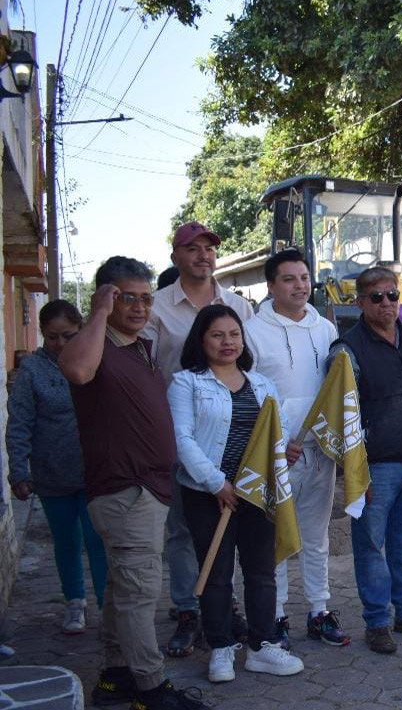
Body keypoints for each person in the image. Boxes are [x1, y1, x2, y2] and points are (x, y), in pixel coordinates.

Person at [60, 256, 211, 710]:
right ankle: (151, 689)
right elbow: (77, 371)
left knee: (121, 591)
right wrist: (100, 312)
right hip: (125, 490)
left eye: (146, 298)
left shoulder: (139, 347)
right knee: (139, 593)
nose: (141, 306)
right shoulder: (95, 343)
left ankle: (116, 675)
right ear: (106, 296)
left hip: (147, 489)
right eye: (129, 297)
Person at [168, 305, 305, 683]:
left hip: (257, 493)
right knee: (216, 573)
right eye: (217, 335)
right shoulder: (186, 383)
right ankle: (221, 647)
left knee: (262, 572)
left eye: (234, 334)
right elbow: (182, 440)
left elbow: (275, 433)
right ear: (201, 339)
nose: (227, 342)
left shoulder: (262, 384)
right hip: (206, 494)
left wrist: (284, 450)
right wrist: (217, 483)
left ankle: (262, 647)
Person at [142, 222, 254, 658]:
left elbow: (251, 367)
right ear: (176, 257)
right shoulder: (156, 310)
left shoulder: (239, 307)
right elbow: (147, 370)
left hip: (234, 434)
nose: (203, 255)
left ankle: (223, 606)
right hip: (178, 434)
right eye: (193, 248)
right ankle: (189, 610)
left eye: (209, 248)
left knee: (231, 524)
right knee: (183, 530)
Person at [329, 266, 402, 654]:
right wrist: (355, 470)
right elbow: (343, 414)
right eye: (376, 297)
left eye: (392, 295)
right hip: (374, 468)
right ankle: (377, 622)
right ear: (360, 302)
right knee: (370, 546)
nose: (387, 303)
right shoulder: (346, 350)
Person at [243, 249, 347, 648]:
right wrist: (273, 444)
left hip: (319, 450)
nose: (300, 285)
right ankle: (277, 614)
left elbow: (335, 389)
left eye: (304, 278)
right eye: (289, 279)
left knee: (315, 536)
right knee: (276, 540)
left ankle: (319, 611)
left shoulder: (323, 328)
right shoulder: (252, 332)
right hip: (277, 456)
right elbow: (250, 395)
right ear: (271, 286)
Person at [7, 300, 106, 633]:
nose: (60, 344)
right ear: (43, 334)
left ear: (80, 329)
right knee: (66, 540)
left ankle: (109, 606)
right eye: (52, 337)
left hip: (96, 470)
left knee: (98, 540)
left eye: (68, 335)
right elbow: (19, 422)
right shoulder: (33, 371)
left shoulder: (97, 357)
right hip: (51, 471)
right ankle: (74, 602)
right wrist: (19, 470)